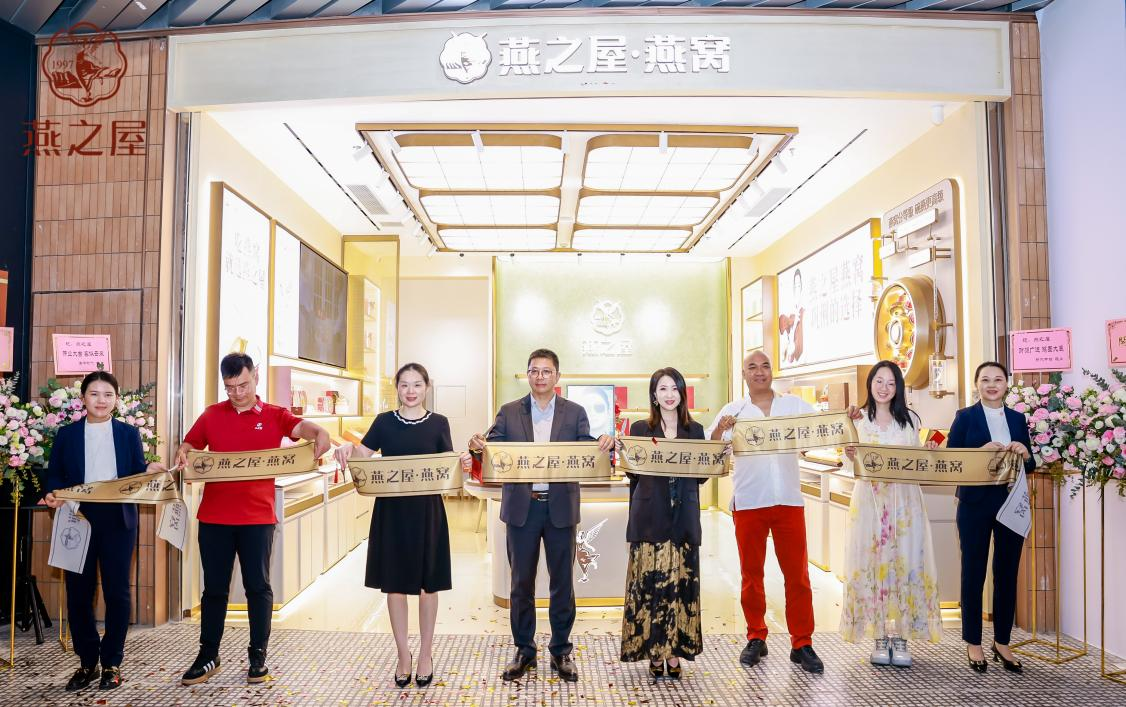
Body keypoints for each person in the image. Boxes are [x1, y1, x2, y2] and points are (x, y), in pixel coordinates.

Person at [175, 353, 330, 686]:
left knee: (258, 587)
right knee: (214, 589)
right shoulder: (212, 414)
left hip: (257, 517)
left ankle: (258, 656)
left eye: (243, 385)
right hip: (214, 517)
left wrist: (319, 432)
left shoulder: (274, 415)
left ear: (255, 376)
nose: (237, 393)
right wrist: (184, 452)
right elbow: (190, 444)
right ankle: (208, 655)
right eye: (230, 387)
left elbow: (301, 427)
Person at [467, 348, 614, 683]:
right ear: (527, 374)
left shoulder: (575, 413)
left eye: (547, 371)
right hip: (522, 508)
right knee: (521, 583)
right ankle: (524, 649)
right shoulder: (508, 412)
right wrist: (478, 445)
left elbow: (586, 450)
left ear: (557, 376)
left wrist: (604, 443)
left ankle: (561, 650)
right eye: (534, 370)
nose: (540, 376)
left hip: (560, 508)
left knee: (562, 583)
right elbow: (491, 450)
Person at [334, 363, 471, 688]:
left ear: (427, 388)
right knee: (394, 586)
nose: (411, 391)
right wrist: (347, 449)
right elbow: (362, 457)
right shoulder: (384, 422)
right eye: (405, 385)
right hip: (391, 512)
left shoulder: (439, 423)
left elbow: (446, 467)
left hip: (427, 513)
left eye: (417, 385)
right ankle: (402, 654)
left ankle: (425, 654)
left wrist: (462, 462)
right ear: (397, 387)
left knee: (428, 586)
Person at [44, 371, 167, 691]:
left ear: (116, 399)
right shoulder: (67, 435)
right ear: (83, 398)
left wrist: (148, 470)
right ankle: (87, 662)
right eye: (95, 394)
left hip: (118, 520)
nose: (101, 400)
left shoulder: (128, 433)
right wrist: (52, 493)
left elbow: (135, 470)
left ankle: (112, 662)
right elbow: (54, 474)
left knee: (117, 592)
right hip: (78, 518)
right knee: (78, 593)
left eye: (108, 394)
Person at [706, 350, 824, 674]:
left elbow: (822, 430)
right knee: (751, 575)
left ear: (773, 371)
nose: (759, 372)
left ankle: (802, 643)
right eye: (752, 367)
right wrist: (720, 431)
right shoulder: (733, 411)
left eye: (765, 366)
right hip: (749, 502)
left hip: (788, 501)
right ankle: (756, 636)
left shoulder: (794, 406)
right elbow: (711, 449)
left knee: (798, 576)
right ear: (744, 374)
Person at [840, 361, 942, 668]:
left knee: (905, 563)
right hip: (870, 505)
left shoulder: (910, 420)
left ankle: (902, 637)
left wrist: (930, 451)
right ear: (870, 384)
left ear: (898, 388)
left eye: (891, 383)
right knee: (874, 564)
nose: (884, 388)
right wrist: (848, 453)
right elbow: (848, 463)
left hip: (905, 505)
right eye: (878, 381)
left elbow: (917, 458)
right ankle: (879, 636)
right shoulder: (857, 419)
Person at [947, 361, 1034, 675]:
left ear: (1007, 385)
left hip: (1010, 503)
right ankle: (973, 641)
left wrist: (1025, 453)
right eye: (985, 380)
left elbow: (1030, 464)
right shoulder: (964, 417)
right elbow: (951, 460)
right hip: (974, 504)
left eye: (998, 379)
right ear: (977, 385)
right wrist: (980, 452)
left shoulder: (1017, 418)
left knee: (1007, 574)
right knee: (973, 573)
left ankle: (1002, 642)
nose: (992, 384)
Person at [619, 368, 705, 679]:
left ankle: (675, 652)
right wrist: (623, 452)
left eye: (674, 388)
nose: (669, 394)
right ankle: (655, 652)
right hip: (649, 518)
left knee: (680, 588)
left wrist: (717, 454)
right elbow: (633, 473)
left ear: (682, 393)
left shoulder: (695, 431)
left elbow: (701, 476)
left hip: (683, 520)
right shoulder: (640, 429)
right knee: (650, 587)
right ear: (654, 395)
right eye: (662, 388)